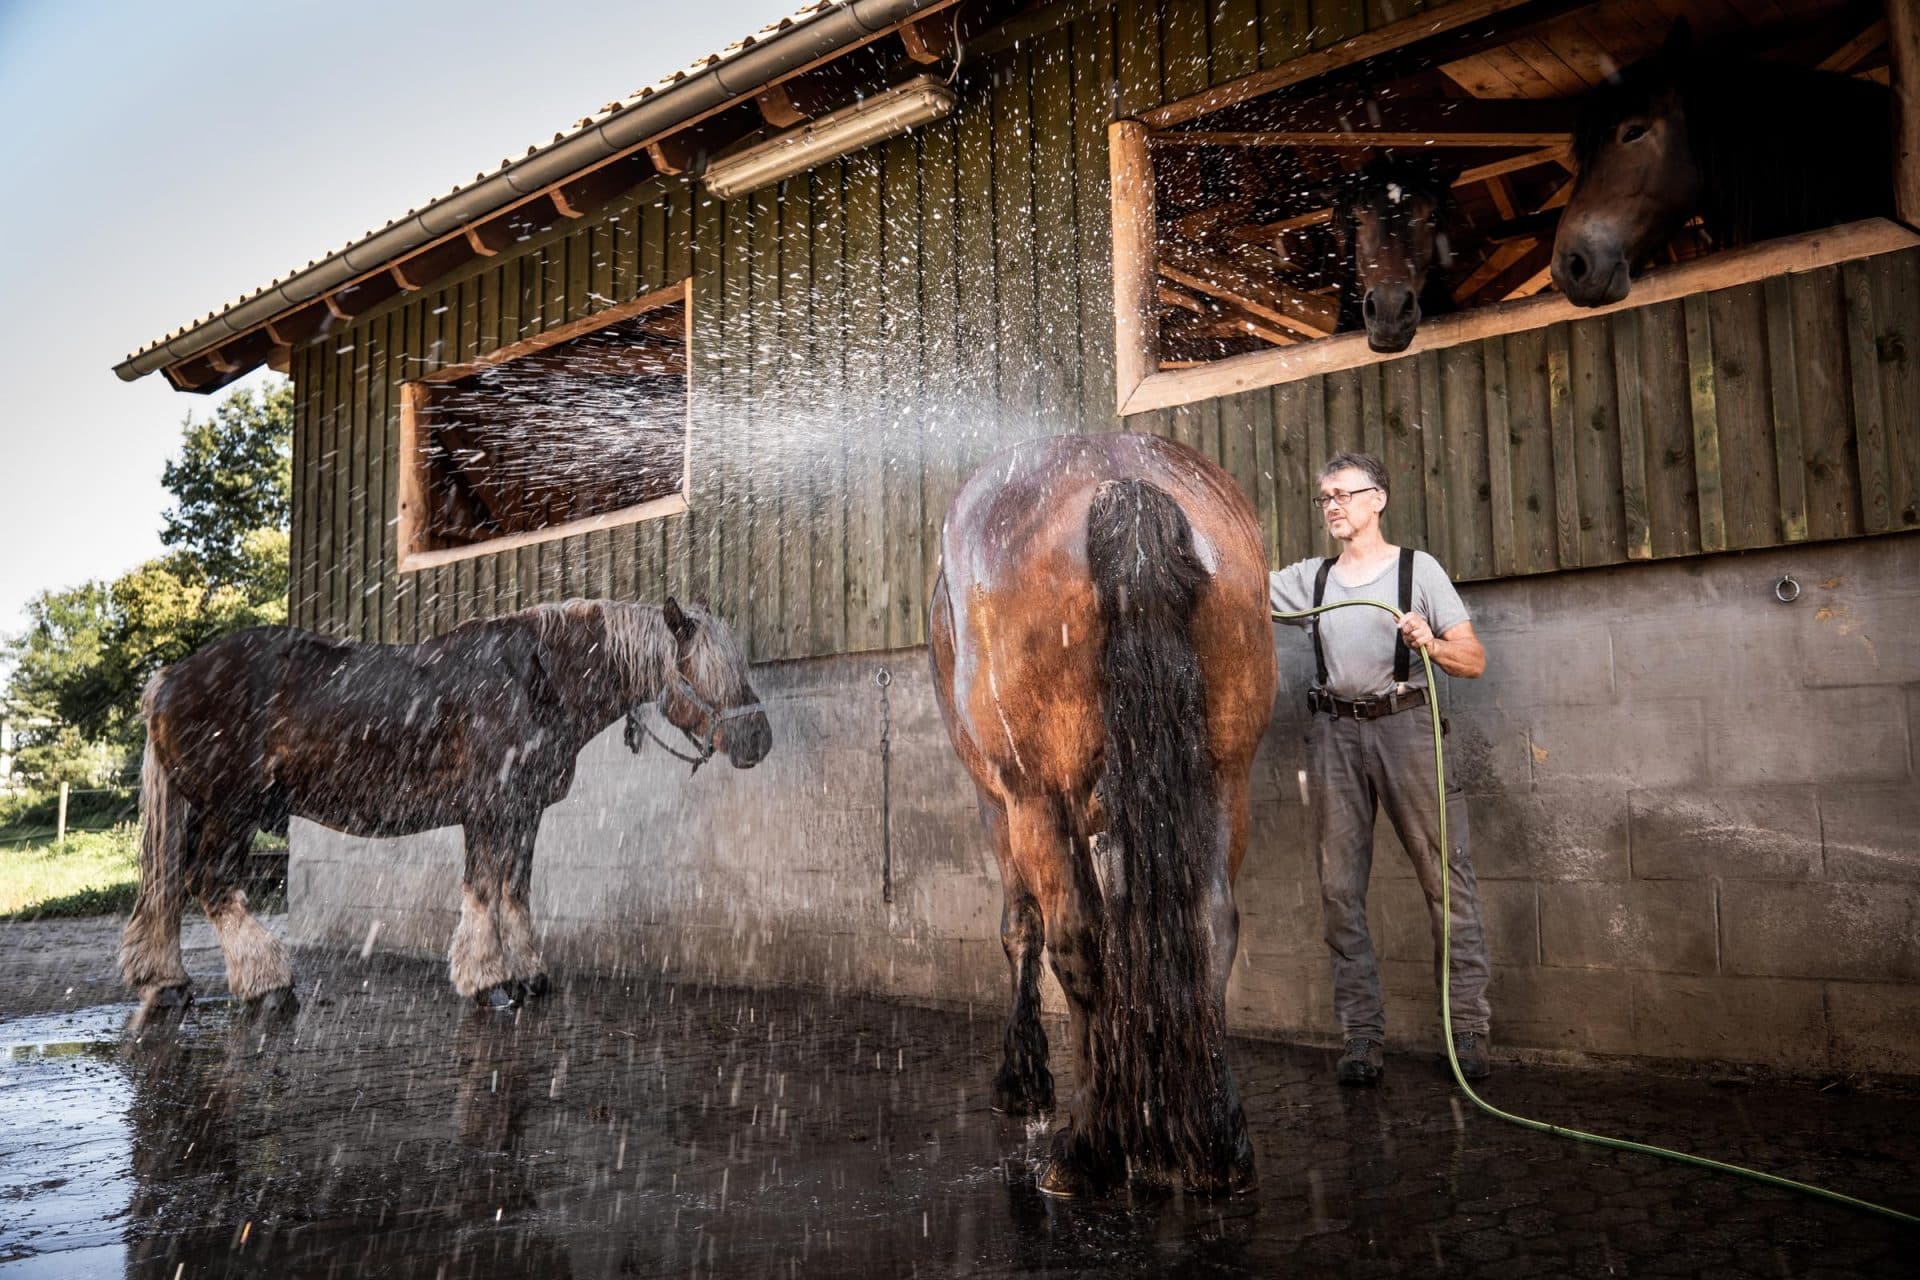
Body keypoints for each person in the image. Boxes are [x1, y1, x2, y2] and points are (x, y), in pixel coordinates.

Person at [1269, 451, 1492, 1085]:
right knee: (1340, 890)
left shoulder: (1419, 571)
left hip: (1408, 728)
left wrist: (1433, 643)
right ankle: (1362, 1037)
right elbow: (1232, 583)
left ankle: (1468, 1029)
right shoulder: (1309, 580)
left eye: (1343, 494)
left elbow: (1474, 660)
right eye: (1325, 497)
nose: (1332, 506)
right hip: (1333, 736)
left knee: (1446, 879)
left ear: (1378, 499)